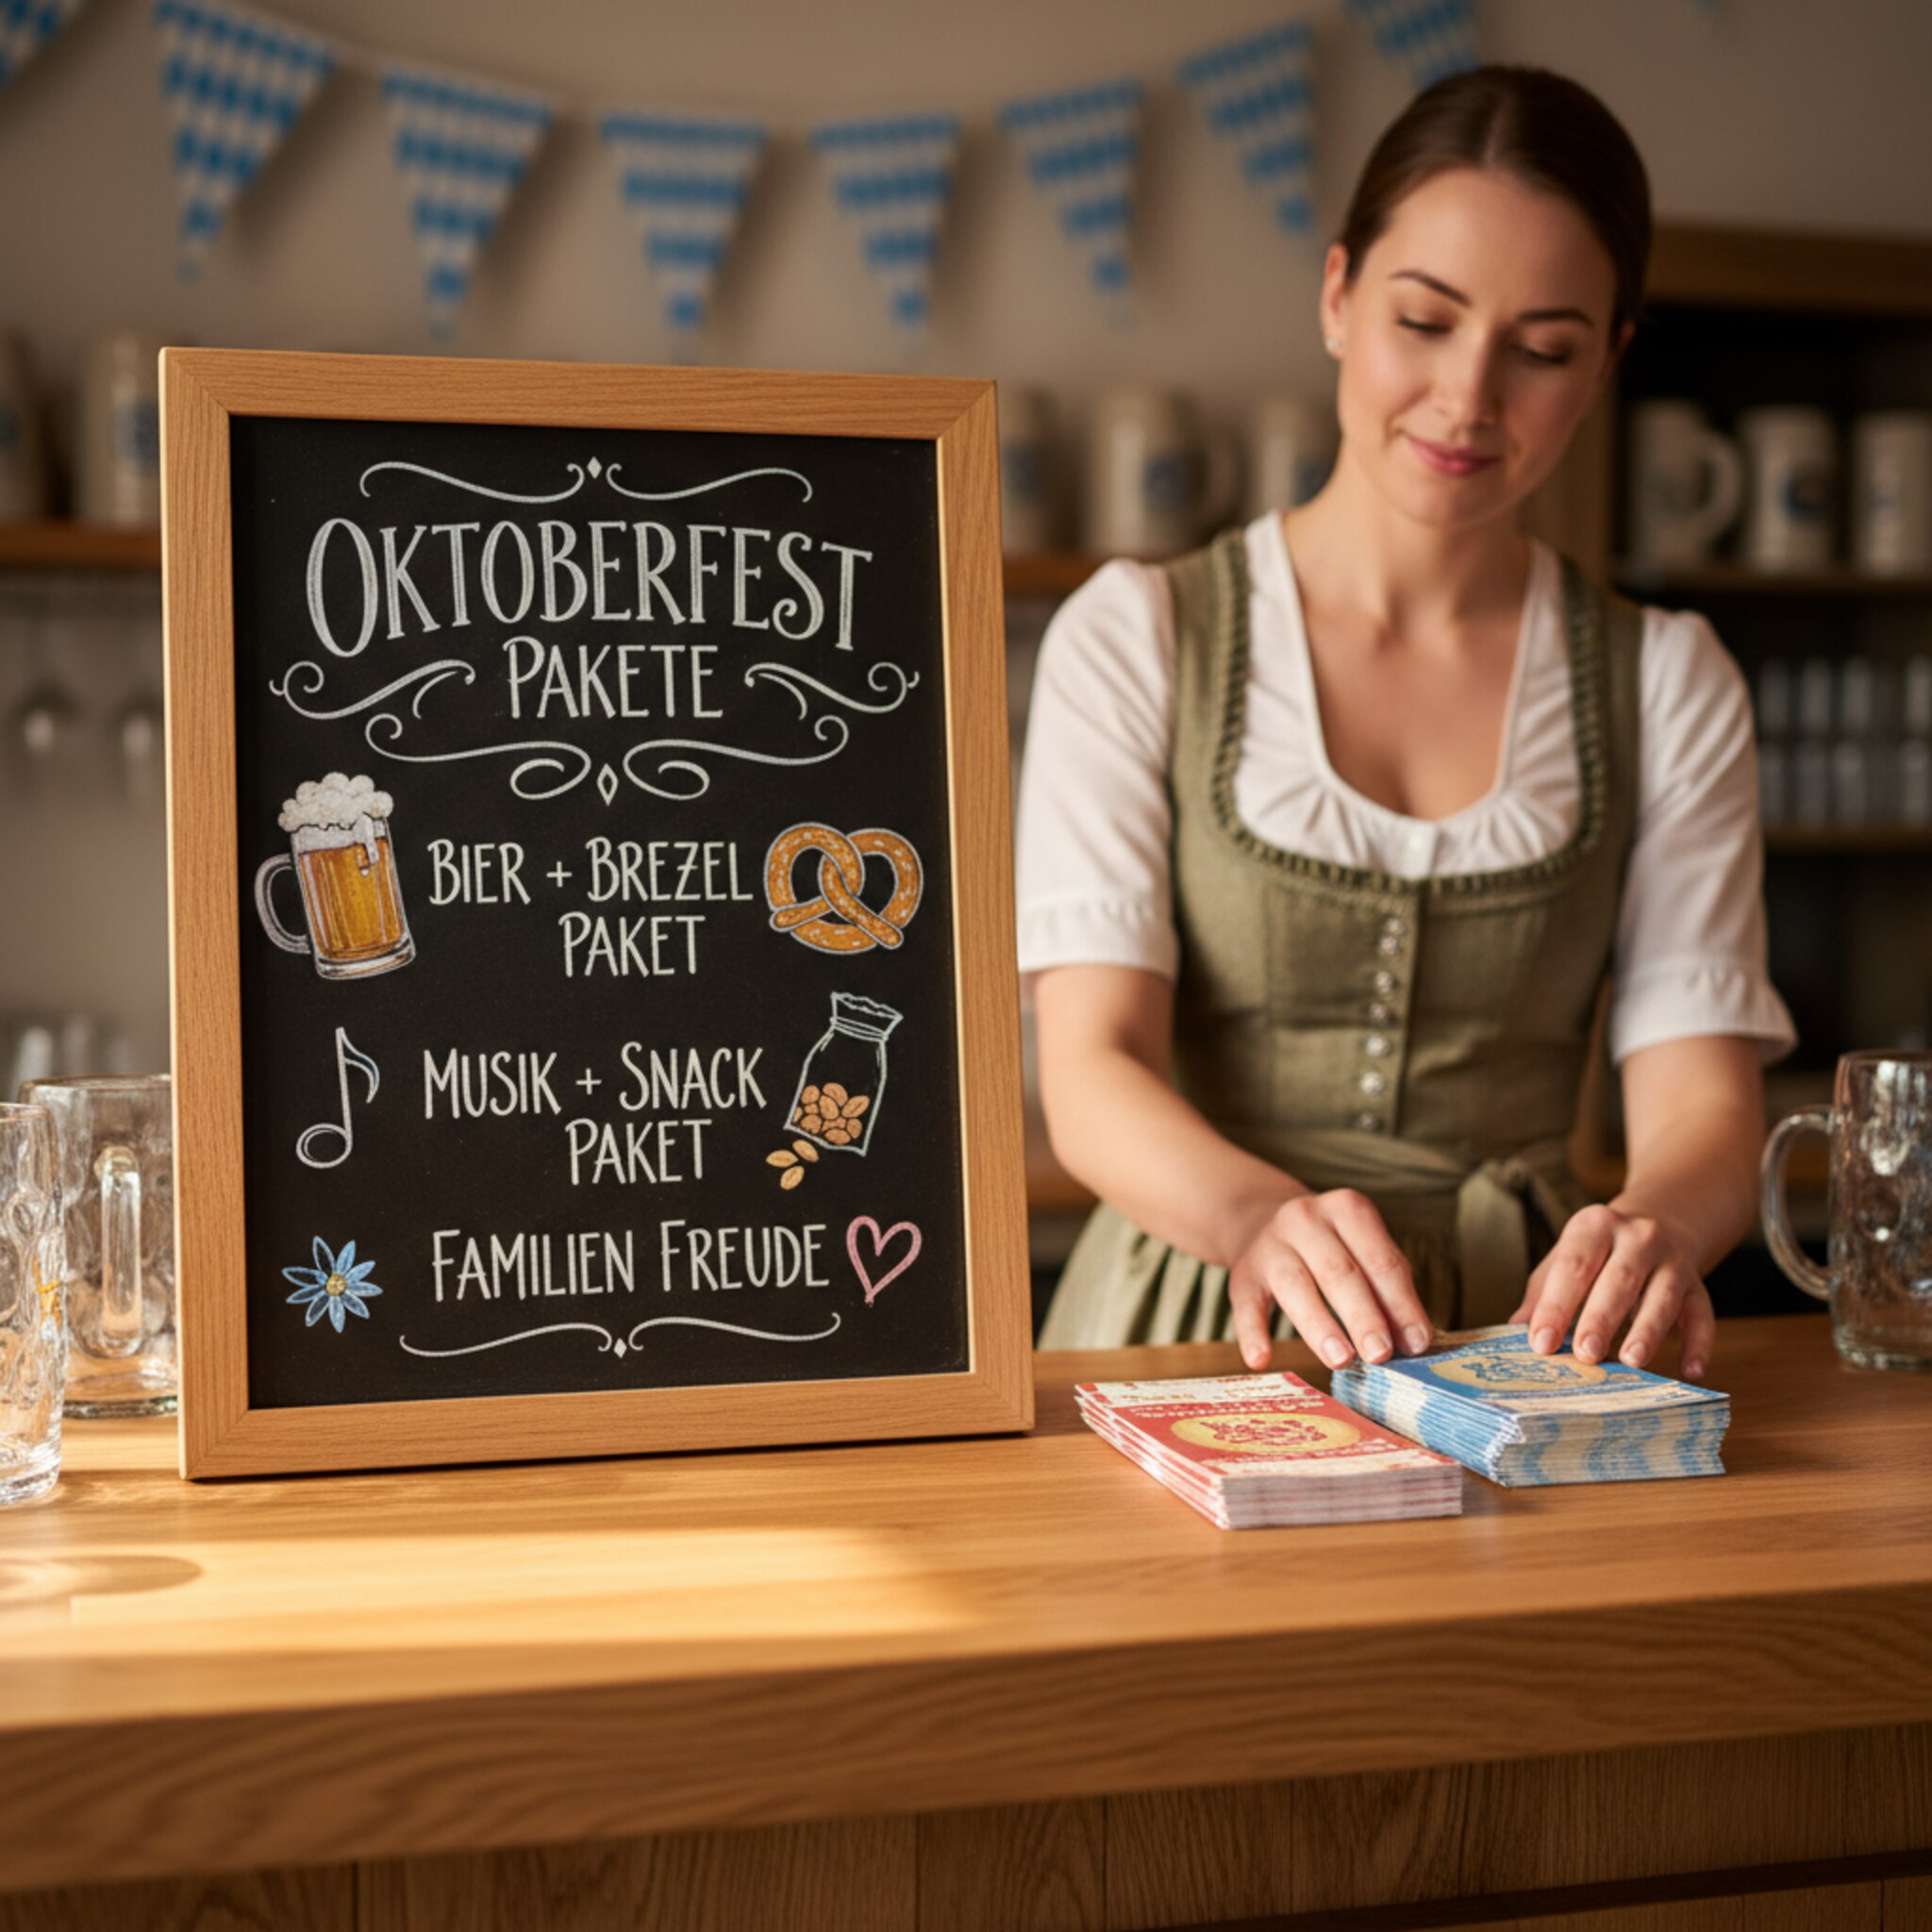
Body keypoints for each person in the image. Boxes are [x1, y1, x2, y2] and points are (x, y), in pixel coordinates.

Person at [1017, 65, 1793, 1384]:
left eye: (1542, 350)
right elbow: (1091, 1068)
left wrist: (1658, 1224)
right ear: (1337, 295)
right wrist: (1254, 1219)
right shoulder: (1141, 634)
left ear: (1607, 361)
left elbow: (1705, 1106)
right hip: (1198, 1313)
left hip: (1525, 1335)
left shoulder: (1669, 680)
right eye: (1424, 320)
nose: (1468, 396)